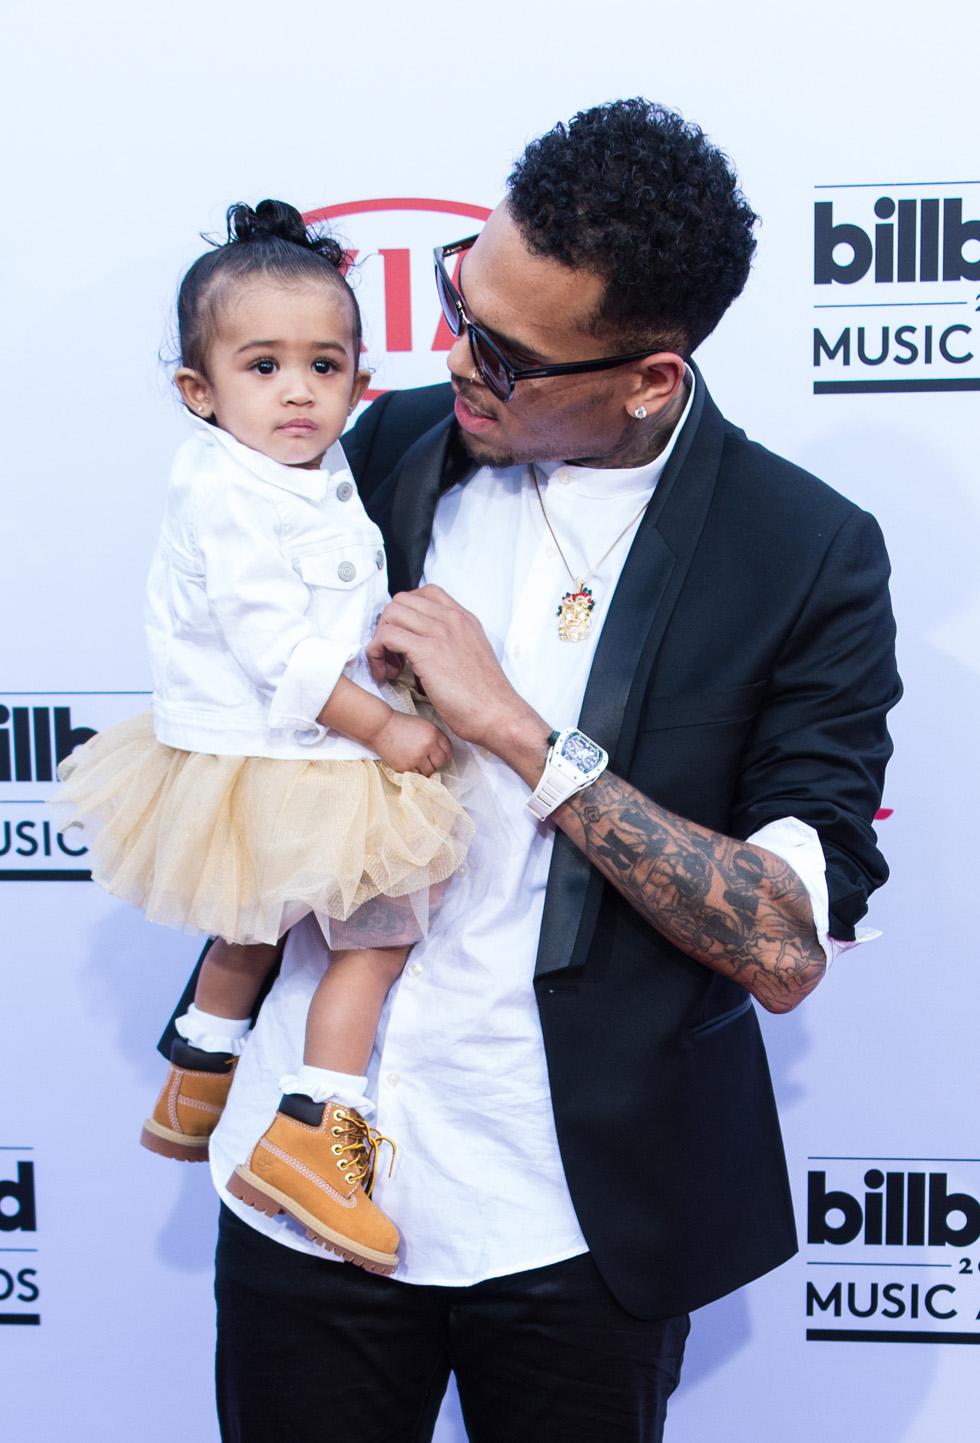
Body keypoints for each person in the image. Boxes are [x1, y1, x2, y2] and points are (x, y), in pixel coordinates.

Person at [161, 101, 900, 1443]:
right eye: (459, 298)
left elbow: (786, 948)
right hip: (303, 1176)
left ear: (649, 379)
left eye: (505, 350)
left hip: (568, 1223)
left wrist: (521, 733)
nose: (457, 357)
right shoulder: (373, 449)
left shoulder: (799, 553)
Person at [54, 200, 474, 1275]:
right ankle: (314, 1139)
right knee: (374, 939)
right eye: (262, 366)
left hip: (258, 757)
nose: (298, 391)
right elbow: (275, 652)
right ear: (199, 392)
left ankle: (199, 1076)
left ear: (356, 378)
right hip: (300, 748)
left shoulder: (288, 465)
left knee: (251, 920)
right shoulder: (234, 492)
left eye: (324, 365)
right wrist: (385, 727)